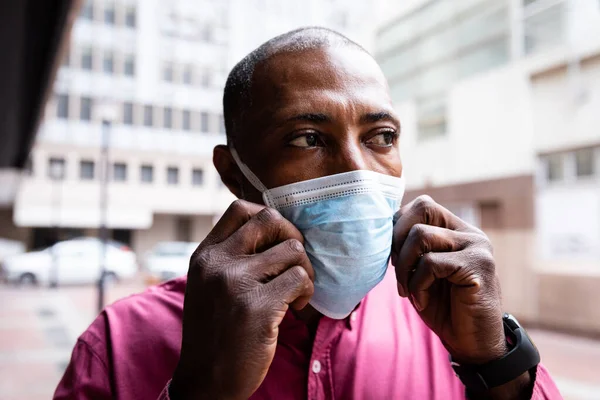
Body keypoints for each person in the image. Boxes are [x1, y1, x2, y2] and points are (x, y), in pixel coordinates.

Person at [54, 27, 562, 400]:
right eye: (307, 139)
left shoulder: (445, 318)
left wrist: (498, 362)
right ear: (235, 174)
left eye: (381, 137)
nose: (357, 170)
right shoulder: (119, 345)